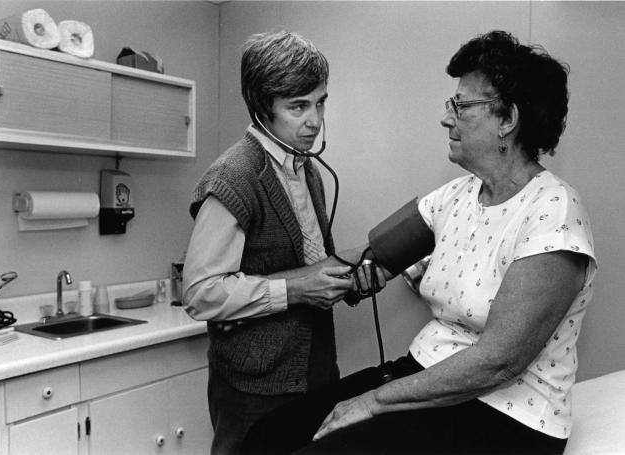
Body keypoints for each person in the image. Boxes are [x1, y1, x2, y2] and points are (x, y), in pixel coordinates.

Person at [241, 30, 597, 455]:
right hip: (426, 372)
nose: (447, 117)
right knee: (269, 435)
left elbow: (498, 360)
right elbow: (366, 262)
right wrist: (253, 293)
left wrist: (371, 402)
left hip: (506, 414)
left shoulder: (554, 212)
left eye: (461, 105)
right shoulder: (454, 197)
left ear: (507, 119)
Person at [182, 30, 356, 455]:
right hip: (254, 387)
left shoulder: (305, 167)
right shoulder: (233, 177)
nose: (314, 120)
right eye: (298, 107)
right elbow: (201, 294)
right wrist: (297, 288)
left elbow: (309, 262)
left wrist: (357, 271)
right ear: (262, 108)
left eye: (319, 103)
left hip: (313, 371)